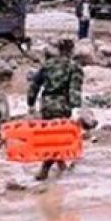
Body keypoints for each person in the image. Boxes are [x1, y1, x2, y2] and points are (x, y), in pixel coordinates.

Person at [27, 38, 83, 181]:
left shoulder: (47, 65)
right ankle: (44, 169)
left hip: (46, 105)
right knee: (58, 139)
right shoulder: (74, 67)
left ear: (58, 49)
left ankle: (61, 165)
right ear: (72, 50)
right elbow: (74, 89)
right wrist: (76, 108)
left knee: (51, 137)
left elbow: (35, 85)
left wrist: (31, 103)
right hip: (62, 106)